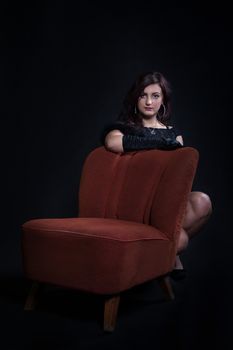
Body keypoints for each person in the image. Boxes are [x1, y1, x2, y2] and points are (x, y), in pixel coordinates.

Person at [101, 71, 212, 280]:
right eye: (143, 95)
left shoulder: (174, 133)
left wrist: (166, 140)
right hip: (135, 203)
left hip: (164, 201)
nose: (149, 102)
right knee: (180, 241)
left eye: (155, 96)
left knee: (202, 202)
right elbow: (112, 143)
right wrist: (159, 142)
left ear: (163, 100)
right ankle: (172, 254)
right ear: (136, 99)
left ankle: (167, 250)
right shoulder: (124, 128)